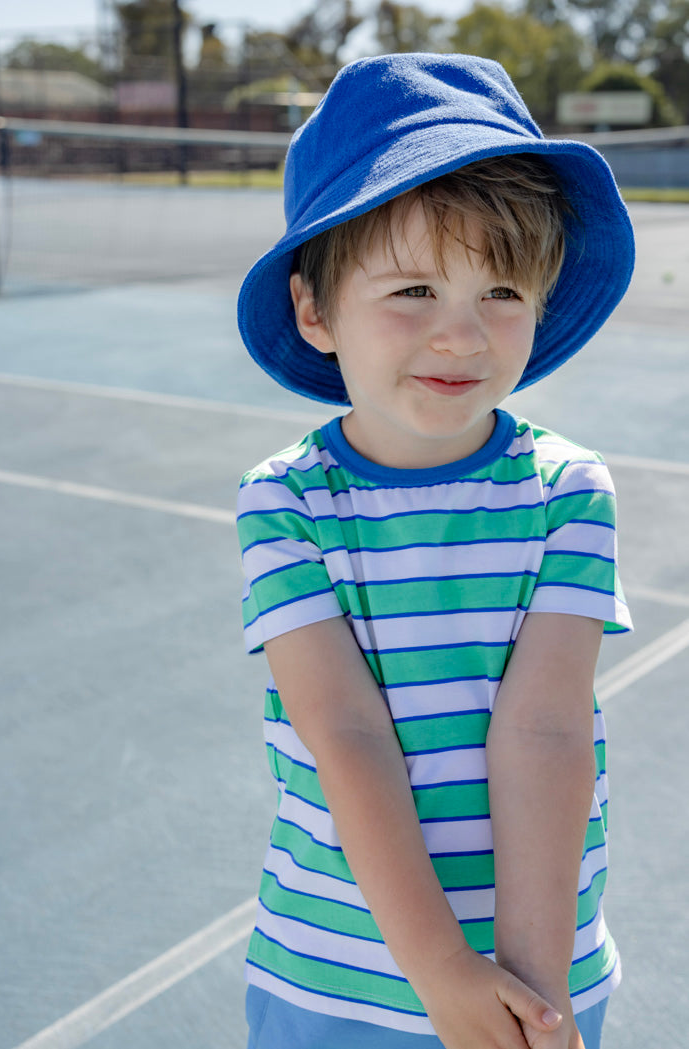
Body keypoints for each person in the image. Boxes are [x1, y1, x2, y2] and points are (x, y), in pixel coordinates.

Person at [235, 52, 634, 1049]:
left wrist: (527, 996)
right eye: (412, 288)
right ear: (315, 310)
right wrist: (445, 973)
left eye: (499, 291)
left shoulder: (566, 491)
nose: (461, 336)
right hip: (334, 981)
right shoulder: (285, 504)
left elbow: (544, 731)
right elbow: (347, 736)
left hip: (543, 968)